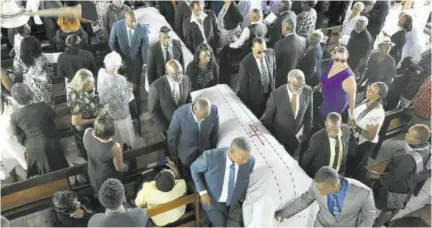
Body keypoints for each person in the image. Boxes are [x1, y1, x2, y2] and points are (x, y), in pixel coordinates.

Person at [275, 166, 376, 227]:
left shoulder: (364, 193)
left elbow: (368, 219)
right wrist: (282, 214)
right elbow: (304, 201)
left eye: (322, 189)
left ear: (334, 186)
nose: (320, 192)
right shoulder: (316, 186)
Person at [373, 124, 431, 227]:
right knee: (397, 205)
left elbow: (395, 177)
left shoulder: (409, 158)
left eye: (410, 134)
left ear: (417, 141)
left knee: (388, 208)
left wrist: (379, 176)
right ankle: (388, 221)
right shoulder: (427, 149)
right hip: (409, 184)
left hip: (397, 186)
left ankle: (377, 225)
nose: (406, 135)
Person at [190, 137, 255, 226]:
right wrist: (202, 192)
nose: (245, 161)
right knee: (221, 225)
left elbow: (245, 178)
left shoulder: (250, 161)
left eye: (247, 158)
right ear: (232, 151)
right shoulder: (210, 157)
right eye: (242, 158)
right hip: (213, 202)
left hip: (233, 204)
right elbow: (194, 168)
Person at [10, 83, 69, 178]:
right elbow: (56, 123)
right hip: (50, 142)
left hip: (32, 148)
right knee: (60, 172)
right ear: (30, 93)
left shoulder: (14, 116)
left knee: (39, 178)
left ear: (15, 99)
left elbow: (18, 139)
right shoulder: (44, 106)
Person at [261, 70, 312, 155]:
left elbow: (309, 114)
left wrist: (306, 132)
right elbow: (267, 118)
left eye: (302, 84)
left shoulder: (308, 90)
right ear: (289, 82)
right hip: (278, 137)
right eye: (296, 86)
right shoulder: (276, 95)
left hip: (295, 138)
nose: (300, 89)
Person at [109, 10, 149, 119]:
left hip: (136, 62)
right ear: (126, 19)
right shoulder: (116, 26)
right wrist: (118, 60)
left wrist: (145, 63)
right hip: (120, 62)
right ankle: (126, 108)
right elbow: (112, 43)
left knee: (135, 87)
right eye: (132, 22)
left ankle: (137, 109)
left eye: (136, 21)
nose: (134, 24)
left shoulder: (143, 28)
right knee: (122, 86)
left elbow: (145, 47)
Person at [167, 98, 219, 179]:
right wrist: (174, 155)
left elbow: (214, 132)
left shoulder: (214, 110)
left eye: (205, 118)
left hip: (204, 154)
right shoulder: (179, 114)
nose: (203, 120)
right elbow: (172, 137)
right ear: (194, 108)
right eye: (200, 118)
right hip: (186, 157)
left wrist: (213, 150)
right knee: (187, 178)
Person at [346, 82, 387, 181]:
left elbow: (371, 136)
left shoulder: (378, 113)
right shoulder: (367, 100)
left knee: (353, 167)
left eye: (371, 91)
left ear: (377, 96)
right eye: (369, 88)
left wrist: (355, 126)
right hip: (354, 137)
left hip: (363, 144)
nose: (367, 91)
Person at [97, 52, 136, 148]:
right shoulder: (121, 79)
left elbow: (102, 101)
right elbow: (127, 97)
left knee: (116, 141)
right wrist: (130, 88)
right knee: (127, 139)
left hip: (111, 117)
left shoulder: (102, 77)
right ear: (118, 66)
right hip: (123, 115)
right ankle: (129, 151)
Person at [84, 113, 129, 194]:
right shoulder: (114, 147)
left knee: (101, 196)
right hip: (108, 179)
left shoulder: (87, 132)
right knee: (113, 198)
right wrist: (127, 166)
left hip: (93, 173)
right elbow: (119, 168)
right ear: (111, 131)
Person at [300, 113, 350, 177]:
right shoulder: (317, 138)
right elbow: (306, 159)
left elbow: (344, 155)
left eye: (336, 130)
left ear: (340, 124)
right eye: (329, 129)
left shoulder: (346, 130)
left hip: (337, 176)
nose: (332, 133)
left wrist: (341, 174)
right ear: (326, 123)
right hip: (320, 177)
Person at [235, 37, 276, 118]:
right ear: (252, 49)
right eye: (259, 52)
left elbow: (274, 73)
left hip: (269, 96)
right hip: (255, 101)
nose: (262, 55)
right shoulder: (245, 64)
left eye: (264, 51)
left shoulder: (271, 53)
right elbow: (243, 89)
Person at [148, 60, 192, 134]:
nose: (179, 77)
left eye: (181, 72)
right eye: (174, 74)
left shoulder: (186, 79)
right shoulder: (156, 87)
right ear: (167, 73)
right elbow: (153, 111)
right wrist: (167, 129)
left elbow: (188, 100)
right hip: (168, 126)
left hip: (185, 123)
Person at [0, 71, 27, 181]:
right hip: (2, 143)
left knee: (25, 162)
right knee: (7, 163)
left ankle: (30, 176)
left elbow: (23, 114)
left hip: (17, 140)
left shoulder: (10, 102)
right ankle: (13, 176)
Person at [319, 46, 356, 122]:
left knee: (326, 122)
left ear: (347, 58)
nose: (339, 63)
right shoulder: (332, 63)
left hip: (335, 105)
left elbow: (352, 99)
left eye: (343, 60)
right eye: (337, 59)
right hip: (325, 99)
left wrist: (351, 118)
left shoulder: (349, 78)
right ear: (333, 56)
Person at [13, 36, 53, 104]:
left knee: (34, 103)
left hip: (29, 85)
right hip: (44, 84)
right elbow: (49, 69)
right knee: (47, 103)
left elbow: (17, 72)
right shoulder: (41, 57)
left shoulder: (18, 58)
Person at [69, 69, 99, 158]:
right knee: (90, 153)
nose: (93, 84)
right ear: (82, 84)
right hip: (84, 129)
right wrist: (96, 119)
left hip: (90, 121)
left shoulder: (84, 89)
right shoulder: (78, 99)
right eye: (91, 83)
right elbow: (75, 121)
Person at [274, 18, 306, 88]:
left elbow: (274, 63)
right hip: (295, 78)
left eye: (282, 27)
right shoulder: (303, 40)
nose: (282, 29)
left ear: (287, 28)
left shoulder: (280, 44)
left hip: (280, 80)